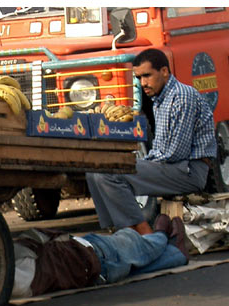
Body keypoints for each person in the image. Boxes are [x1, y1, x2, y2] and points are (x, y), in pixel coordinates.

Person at [86, 48, 217, 235]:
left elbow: (174, 153)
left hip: (188, 170)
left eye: (147, 76)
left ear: (164, 71)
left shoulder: (181, 97)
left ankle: (143, 233)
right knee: (94, 172)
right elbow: (162, 150)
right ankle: (118, 230)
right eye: (139, 77)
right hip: (171, 166)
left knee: (111, 173)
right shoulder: (159, 99)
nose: (143, 83)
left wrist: (137, 163)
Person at [12, 214, 188, 298]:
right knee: (135, 241)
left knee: (135, 266)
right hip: (93, 255)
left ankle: (176, 254)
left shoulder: (12, 284)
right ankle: (161, 235)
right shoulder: (17, 273)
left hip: (95, 268)